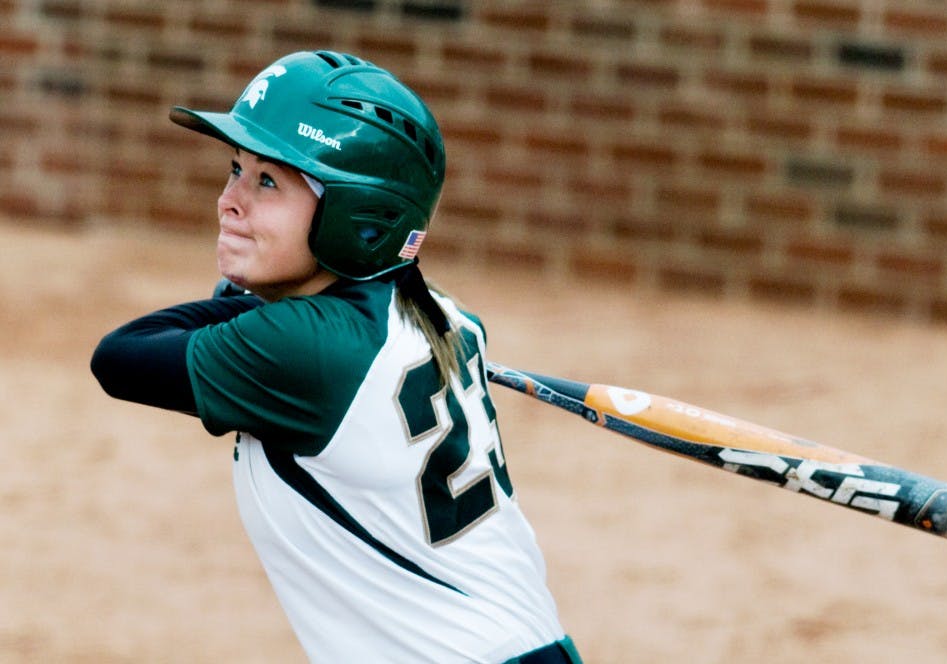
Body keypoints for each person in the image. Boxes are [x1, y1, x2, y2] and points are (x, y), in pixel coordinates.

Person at [91, 50, 581, 663]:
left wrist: (250, 305)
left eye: (267, 181)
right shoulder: (447, 318)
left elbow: (120, 357)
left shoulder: (303, 349)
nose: (229, 200)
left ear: (360, 216)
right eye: (235, 169)